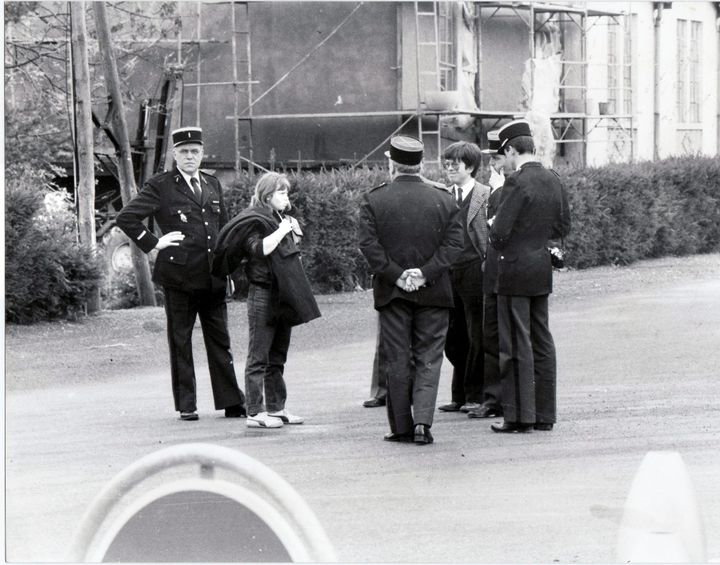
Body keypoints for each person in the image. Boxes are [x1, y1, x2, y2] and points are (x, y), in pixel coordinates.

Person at [116, 126, 246, 421]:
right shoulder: (161, 185)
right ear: (175, 154)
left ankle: (232, 401)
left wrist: (229, 273)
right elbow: (127, 217)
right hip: (179, 277)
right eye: (185, 152)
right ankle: (187, 404)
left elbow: (222, 230)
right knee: (181, 341)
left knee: (220, 341)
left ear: (202, 154)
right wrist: (154, 242)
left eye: (195, 151)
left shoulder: (212, 184)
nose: (190, 157)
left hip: (212, 277)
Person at [358, 135, 464, 444]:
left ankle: (401, 426)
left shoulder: (374, 198)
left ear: (392, 164)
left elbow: (369, 245)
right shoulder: (445, 198)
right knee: (429, 356)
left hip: (393, 292)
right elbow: (454, 245)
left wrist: (398, 275)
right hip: (434, 291)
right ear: (420, 164)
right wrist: (425, 273)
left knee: (397, 358)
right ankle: (423, 423)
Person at [213, 172, 321, 429]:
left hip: (282, 292)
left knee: (277, 355)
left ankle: (276, 408)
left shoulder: (278, 218)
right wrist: (283, 230)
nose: (286, 197)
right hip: (262, 293)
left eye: (286, 193)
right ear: (268, 195)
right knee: (258, 355)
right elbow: (258, 249)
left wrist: (289, 229)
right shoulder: (255, 220)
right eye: (282, 193)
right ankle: (254, 411)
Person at [486, 119, 571, 433]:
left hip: (513, 269)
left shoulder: (516, 181)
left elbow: (498, 233)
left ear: (510, 150)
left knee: (515, 343)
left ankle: (519, 416)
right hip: (540, 268)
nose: (505, 160)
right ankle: (544, 415)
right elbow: (563, 227)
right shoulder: (553, 178)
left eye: (505, 154)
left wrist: (499, 227)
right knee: (542, 340)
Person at [436, 141, 490, 415]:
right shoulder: (442, 195)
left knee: (476, 333)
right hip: (447, 271)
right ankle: (458, 395)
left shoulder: (486, 195)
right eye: (446, 164)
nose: (449, 169)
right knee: (453, 336)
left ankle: (474, 394)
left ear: (470, 167)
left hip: (474, 270)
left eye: (454, 165)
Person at [468, 129, 506, 420]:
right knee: (489, 336)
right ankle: (492, 397)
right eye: (493, 158)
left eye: (499, 157)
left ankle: (500, 397)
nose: (495, 164)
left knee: (501, 337)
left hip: (507, 270)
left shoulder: (508, 186)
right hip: (491, 270)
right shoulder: (494, 186)